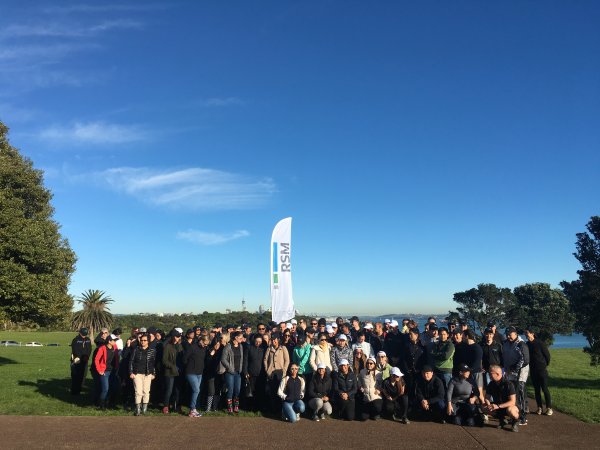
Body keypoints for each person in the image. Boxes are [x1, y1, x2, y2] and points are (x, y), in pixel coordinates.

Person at [503, 326, 529, 425]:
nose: (508, 336)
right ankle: (515, 415)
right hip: (509, 373)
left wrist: (514, 368)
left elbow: (526, 360)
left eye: (510, 334)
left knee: (521, 394)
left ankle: (523, 417)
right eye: (507, 334)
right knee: (513, 395)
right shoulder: (505, 343)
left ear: (515, 333)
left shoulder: (521, 344)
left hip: (520, 373)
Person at [482, 365, 520, 432]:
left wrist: (498, 406)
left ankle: (514, 423)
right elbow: (487, 397)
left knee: (511, 411)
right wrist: (489, 405)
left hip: (509, 406)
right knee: (483, 407)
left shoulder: (508, 384)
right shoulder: (491, 384)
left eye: (491, 373)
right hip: (498, 406)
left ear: (498, 374)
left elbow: (512, 401)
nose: (489, 375)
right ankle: (502, 420)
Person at [525, 329, 553, 416]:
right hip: (533, 370)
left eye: (527, 333)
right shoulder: (527, 345)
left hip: (542, 370)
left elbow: (547, 355)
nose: (526, 335)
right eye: (525, 334)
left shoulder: (539, 343)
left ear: (532, 333)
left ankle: (549, 408)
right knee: (536, 390)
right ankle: (539, 407)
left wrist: (544, 364)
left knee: (544, 389)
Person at [129, 332, 157, 416]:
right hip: (137, 374)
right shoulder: (136, 350)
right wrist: (131, 372)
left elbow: (153, 363)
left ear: (148, 341)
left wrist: (153, 374)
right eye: (141, 340)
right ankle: (138, 409)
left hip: (148, 374)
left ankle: (144, 409)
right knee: (138, 392)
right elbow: (131, 361)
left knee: (146, 391)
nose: (143, 342)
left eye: (145, 340)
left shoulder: (152, 351)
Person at [183, 334, 209, 417]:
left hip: (199, 373)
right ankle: (192, 409)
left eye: (207, 344)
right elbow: (184, 359)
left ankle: (194, 409)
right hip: (191, 372)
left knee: (196, 391)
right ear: (201, 340)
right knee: (196, 390)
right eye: (205, 343)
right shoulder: (192, 347)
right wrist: (190, 365)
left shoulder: (204, 348)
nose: (205, 345)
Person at [264, 333, 290, 414]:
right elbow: (265, 360)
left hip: (280, 372)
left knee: (280, 392)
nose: (274, 341)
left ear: (278, 339)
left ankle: (280, 410)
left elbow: (287, 360)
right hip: (271, 372)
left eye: (275, 339)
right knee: (272, 392)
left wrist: (284, 371)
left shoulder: (283, 348)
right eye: (272, 339)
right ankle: (273, 410)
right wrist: (267, 370)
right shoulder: (269, 349)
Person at [219, 331, 244, 414]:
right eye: (240, 338)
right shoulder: (228, 347)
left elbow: (241, 359)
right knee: (230, 390)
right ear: (236, 338)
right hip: (230, 372)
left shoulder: (240, 346)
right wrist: (229, 368)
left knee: (237, 390)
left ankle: (236, 406)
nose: (242, 339)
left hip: (238, 372)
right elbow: (223, 359)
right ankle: (230, 407)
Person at [93, 333, 119, 410]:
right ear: (109, 341)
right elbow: (96, 359)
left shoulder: (115, 347)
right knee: (105, 389)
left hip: (113, 371)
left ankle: (110, 404)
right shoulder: (102, 348)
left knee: (113, 388)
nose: (115, 342)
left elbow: (117, 358)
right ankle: (102, 405)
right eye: (114, 340)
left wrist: (117, 368)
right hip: (105, 371)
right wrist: (100, 370)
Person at [243, 334, 267, 412]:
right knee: (251, 391)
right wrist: (245, 371)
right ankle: (250, 407)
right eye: (257, 341)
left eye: (260, 341)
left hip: (261, 374)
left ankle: (259, 407)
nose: (258, 343)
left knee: (260, 391)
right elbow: (245, 360)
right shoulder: (249, 348)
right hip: (251, 373)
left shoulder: (264, 349)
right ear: (254, 340)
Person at [162, 329, 184, 414]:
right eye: (177, 336)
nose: (178, 338)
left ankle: (177, 406)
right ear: (173, 337)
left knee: (178, 391)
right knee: (169, 390)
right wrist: (172, 367)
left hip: (179, 372)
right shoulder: (167, 346)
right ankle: (165, 406)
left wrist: (178, 344)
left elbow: (182, 356)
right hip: (170, 372)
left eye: (179, 336)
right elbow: (164, 360)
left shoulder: (179, 345)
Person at [400, 327, 425, 400]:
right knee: (409, 389)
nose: (409, 336)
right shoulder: (406, 346)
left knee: (419, 389)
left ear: (416, 335)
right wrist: (407, 370)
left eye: (411, 334)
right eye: (409, 334)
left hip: (419, 371)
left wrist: (420, 369)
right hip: (409, 372)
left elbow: (424, 359)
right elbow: (404, 359)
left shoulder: (422, 346)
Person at [205, 332, 226, 412]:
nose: (217, 345)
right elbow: (207, 362)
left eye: (218, 344)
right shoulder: (209, 350)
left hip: (219, 373)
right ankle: (208, 408)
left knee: (217, 390)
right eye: (216, 344)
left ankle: (215, 407)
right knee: (211, 391)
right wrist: (211, 354)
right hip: (210, 373)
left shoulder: (222, 350)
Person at [358, 356, 383, 421]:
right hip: (366, 397)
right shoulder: (362, 371)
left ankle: (376, 413)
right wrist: (360, 386)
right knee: (363, 418)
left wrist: (379, 389)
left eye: (371, 363)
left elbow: (381, 383)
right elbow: (359, 380)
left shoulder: (378, 373)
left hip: (375, 396)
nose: (369, 365)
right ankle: (369, 412)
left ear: (374, 364)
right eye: (367, 363)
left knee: (377, 407)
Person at [70, 327, 91, 395]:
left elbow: (89, 349)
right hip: (77, 360)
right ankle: (74, 391)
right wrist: (81, 357)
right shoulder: (76, 340)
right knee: (75, 376)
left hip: (84, 360)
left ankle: (78, 390)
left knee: (82, 375)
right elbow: (75, 350)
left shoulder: (88, 340)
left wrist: (86, 356)